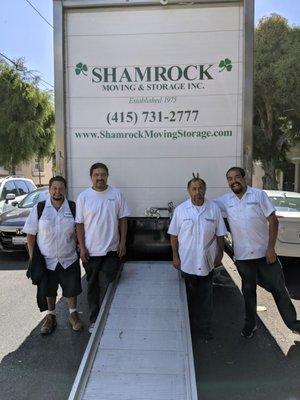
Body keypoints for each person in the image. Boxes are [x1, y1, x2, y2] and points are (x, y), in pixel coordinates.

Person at [215, 166, 300, 338]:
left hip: (265, 256)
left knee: (279, 290)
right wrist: (197, 190)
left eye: (237, 177)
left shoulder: (258, 195)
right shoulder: (226, 200)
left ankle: (294, 324)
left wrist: (271, 248)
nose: (234, 181)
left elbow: (273, 221)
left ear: (244, 178)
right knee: (248, 293)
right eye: (230, 179)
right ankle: (250, 325)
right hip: (243, 258)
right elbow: (207, 206)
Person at [168, 177, 227, 340]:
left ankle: (205, 330)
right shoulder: (181, 210)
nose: (197, 192)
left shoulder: (213, 208)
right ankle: (187, 331)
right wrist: (175, 256)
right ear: (188, 191)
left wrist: (220, 254)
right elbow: (173, 235)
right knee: (188, 299)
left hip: (207, 263)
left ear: (205, 190)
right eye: (194, 189)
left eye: (200, 188)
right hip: (187, 263)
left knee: (206, 299)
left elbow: (220, 234)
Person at [24, 176, 83, 335]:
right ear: (49, 189)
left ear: (65, 190)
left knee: (72, 289)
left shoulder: (72, 207)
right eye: (54, 188)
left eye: (61, 188)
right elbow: (30, 233)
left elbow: (79, 230)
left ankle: (73, 315)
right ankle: (51, 317)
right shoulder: (40, 208)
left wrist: (81, 248)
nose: (57, 191)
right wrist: (32, 257)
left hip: (68, 258)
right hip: (46, 260)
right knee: (49, 290)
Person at [76, 163, 130, 333]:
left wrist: (122, 243)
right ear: (91, 176)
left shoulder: (116, 194)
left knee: (110, 280)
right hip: (91, 251)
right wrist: (82, 248)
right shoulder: (84, 197)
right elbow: (79, 224)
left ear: (107, 175)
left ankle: (111, 316)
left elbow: (123, 220)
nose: (100, 178)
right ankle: (94, 319)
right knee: (92, 286)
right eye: (96, 174)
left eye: (103, 174)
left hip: (111, 250)